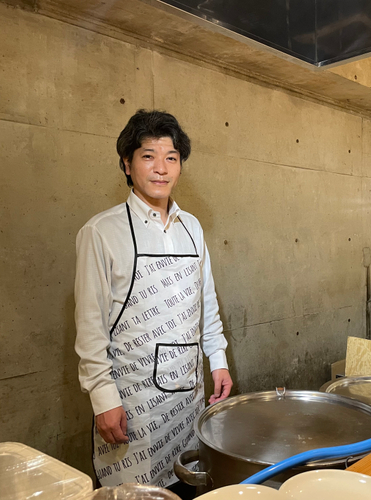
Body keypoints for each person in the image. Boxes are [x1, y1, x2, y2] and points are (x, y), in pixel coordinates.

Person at [74, 109, 232, 494]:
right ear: (127, 165)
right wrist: (102, 397)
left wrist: (220, 361)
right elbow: (90, 326)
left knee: (189, 486)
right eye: (148, 156)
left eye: (171, 158)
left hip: (189, 401)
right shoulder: (100, 232)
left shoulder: (192, 227)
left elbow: (205, 303)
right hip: (132, 405)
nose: (161, 168)